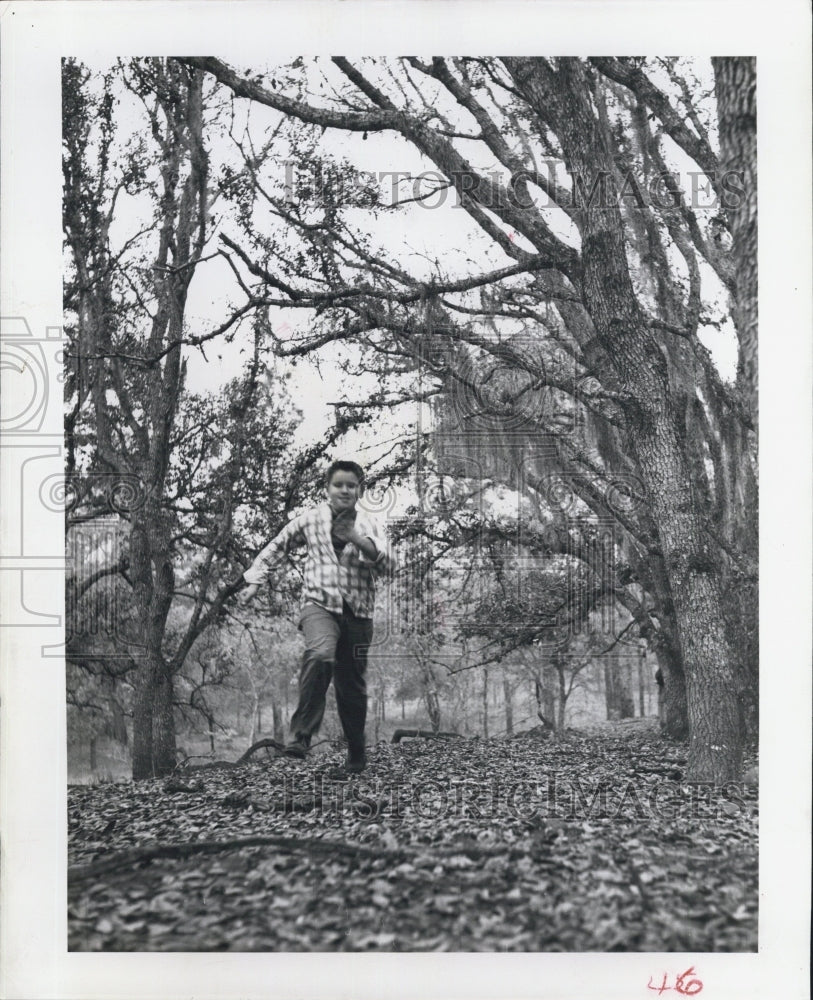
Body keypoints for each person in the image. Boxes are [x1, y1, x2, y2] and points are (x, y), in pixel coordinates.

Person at [240, 460, 393, 775]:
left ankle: (355, 752)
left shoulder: (370, 524)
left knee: (351, 687)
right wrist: (256, 578)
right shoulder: (310, 520)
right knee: (321, 654)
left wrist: (355, 538)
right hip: (318, 605)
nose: (345, 490)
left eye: (351, 485)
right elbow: (278, 544)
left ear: (360, 490)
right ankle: (300, 737)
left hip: (359, 612)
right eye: (339, 484)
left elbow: (389, 565)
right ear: (327, 488)